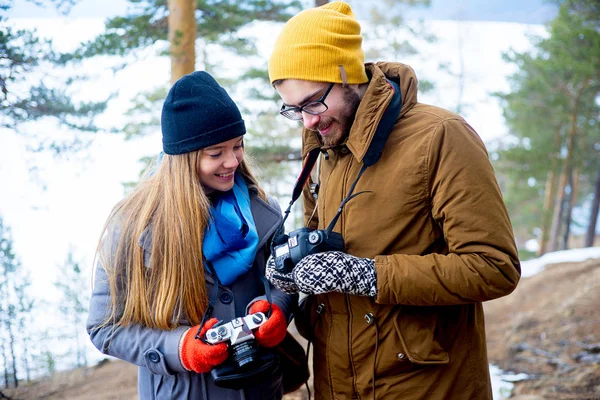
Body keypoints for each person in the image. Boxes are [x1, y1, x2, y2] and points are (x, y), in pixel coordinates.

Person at [265, 2, 521, 399]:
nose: (308, 121)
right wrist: (291, 273)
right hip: (337, 384)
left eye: (314, 102)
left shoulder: (442, 137)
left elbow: (494, 267)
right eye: (293, 110)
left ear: (347, 75)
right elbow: (324, 243)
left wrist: (370, 276)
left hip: (425, 386)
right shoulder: (322, 143)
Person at [87, 71, 297, 400]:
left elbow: (284, 280)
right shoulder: (131, 225)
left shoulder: (264, 212)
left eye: (238, 146)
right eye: (216, 153)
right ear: (184, 158)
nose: (232, 161)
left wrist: (276, 307)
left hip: (259, 388)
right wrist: (180, 348)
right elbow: (105, 327)